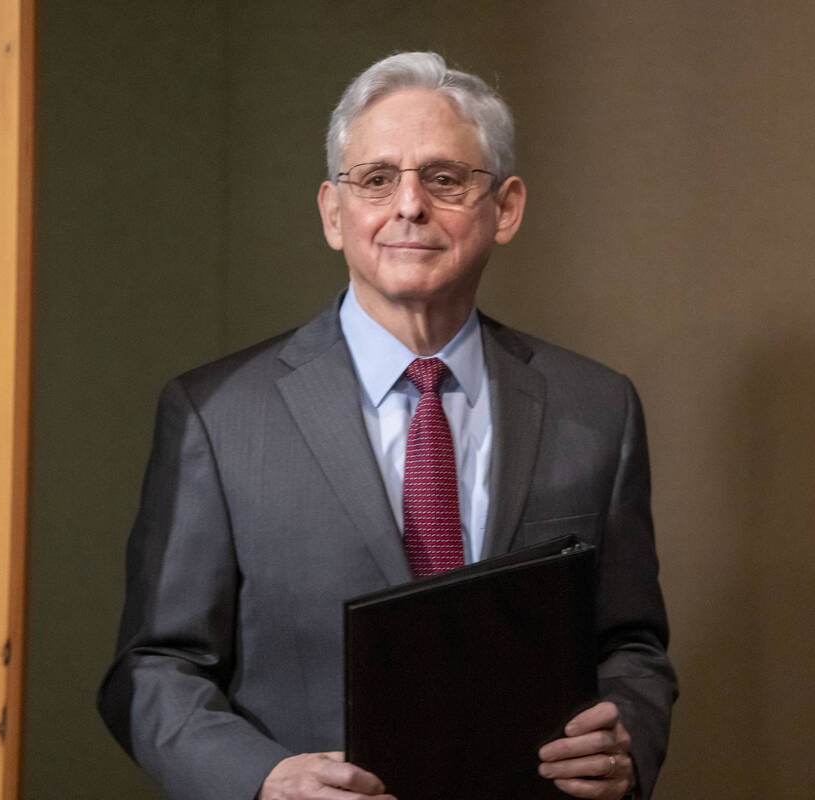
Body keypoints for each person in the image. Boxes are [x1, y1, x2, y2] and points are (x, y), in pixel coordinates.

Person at [98, 51, 676, 800]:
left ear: (505, 207)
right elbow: (154, 668)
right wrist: (262, 778)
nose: (409, 205)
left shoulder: (596, 408)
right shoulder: (217, 415)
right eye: (376, 179)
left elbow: (631, 643)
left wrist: (625, 738)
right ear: (334, 215)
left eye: (443, 178)